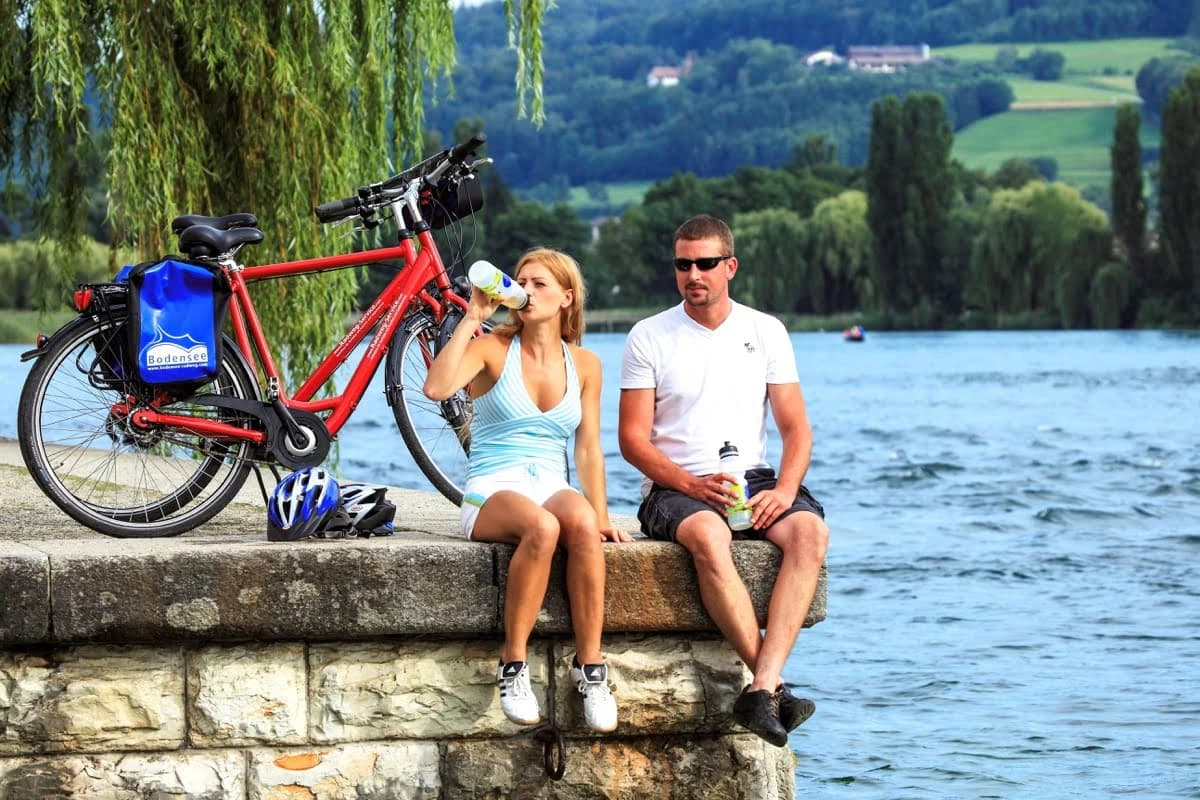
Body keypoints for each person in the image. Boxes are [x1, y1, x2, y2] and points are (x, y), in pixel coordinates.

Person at [617, 214, 829, 747]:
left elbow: (797, 428)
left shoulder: (766, 330)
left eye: (706, 263)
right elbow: (633, 441)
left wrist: (783, 491)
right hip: (675, 487)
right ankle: (774, 686)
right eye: (683, 264)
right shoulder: (649, 336)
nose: (694, 274)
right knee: (710, 536)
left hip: (754, 480)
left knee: (810, 534)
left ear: (729, 266)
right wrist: (690, 486)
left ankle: (759, 688)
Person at [424, 247, 632, 734]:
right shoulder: (492, 347)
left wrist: (601, 515)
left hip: (549, 481)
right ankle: (513, 666)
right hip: (492, 486)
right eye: (520, 281)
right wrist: (472, 316)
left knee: (578, 524)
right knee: (542, 527)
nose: (526, 290)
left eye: (539, 283)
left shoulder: (584, 363)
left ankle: (591, 668)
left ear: (567, 296)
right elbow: (436, 389)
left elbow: (587, 450)